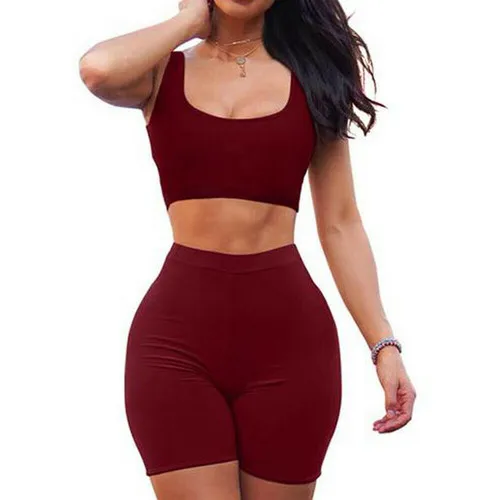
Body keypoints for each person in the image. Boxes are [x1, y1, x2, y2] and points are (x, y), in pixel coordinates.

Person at [79, 0, 417, 498]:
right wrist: (190, 21)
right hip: (175, 346)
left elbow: (340, 224)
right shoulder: (160, 72)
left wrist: (383, 345)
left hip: (292, 349)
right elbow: (97, 68)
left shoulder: (314, 79)